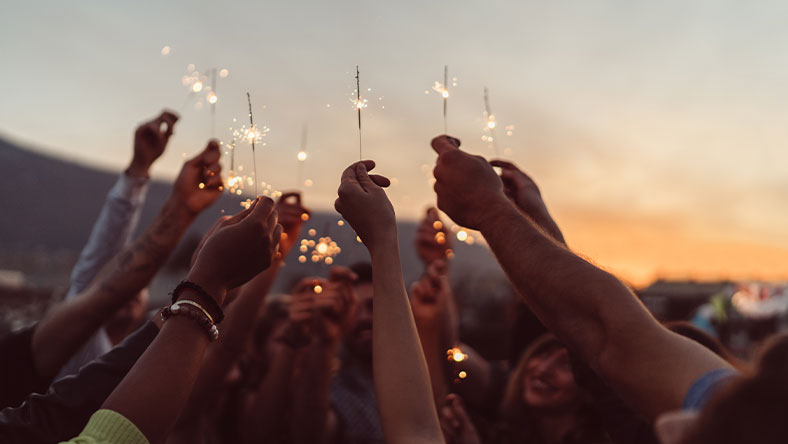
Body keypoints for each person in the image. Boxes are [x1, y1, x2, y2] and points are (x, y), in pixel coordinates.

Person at [0, 137, 223, 409]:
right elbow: (104, 267)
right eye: (130, 280)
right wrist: (150, 181)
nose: (132, 289)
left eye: (141, 285)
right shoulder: (80, 345)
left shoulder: (147, 355)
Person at [60, 195, 282, 444]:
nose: (232, 375)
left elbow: (72, 399)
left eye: (139, 286)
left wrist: (207, 286)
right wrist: (205, 288)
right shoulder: (80, 346)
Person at [57, 110, 179, 380]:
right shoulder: (76, 339)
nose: (132, 286)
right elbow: (104, 251)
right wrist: (138, 169)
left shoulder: (141, 367)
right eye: (121, 273)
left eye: (139, 281)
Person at [334, 160, 444, 444]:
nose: (364, 319)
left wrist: (382, 240)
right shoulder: (331, 388)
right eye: (354, 309)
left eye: (372, 307)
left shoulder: (425, 374)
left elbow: (425, 426)